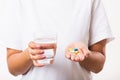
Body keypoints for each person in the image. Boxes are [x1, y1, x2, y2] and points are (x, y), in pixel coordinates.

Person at [0, 0, 114, 80]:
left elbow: (98, 65)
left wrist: (84, 55)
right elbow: (13, 68)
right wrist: (29, 55)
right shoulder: (18, 2)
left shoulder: (90, 1)